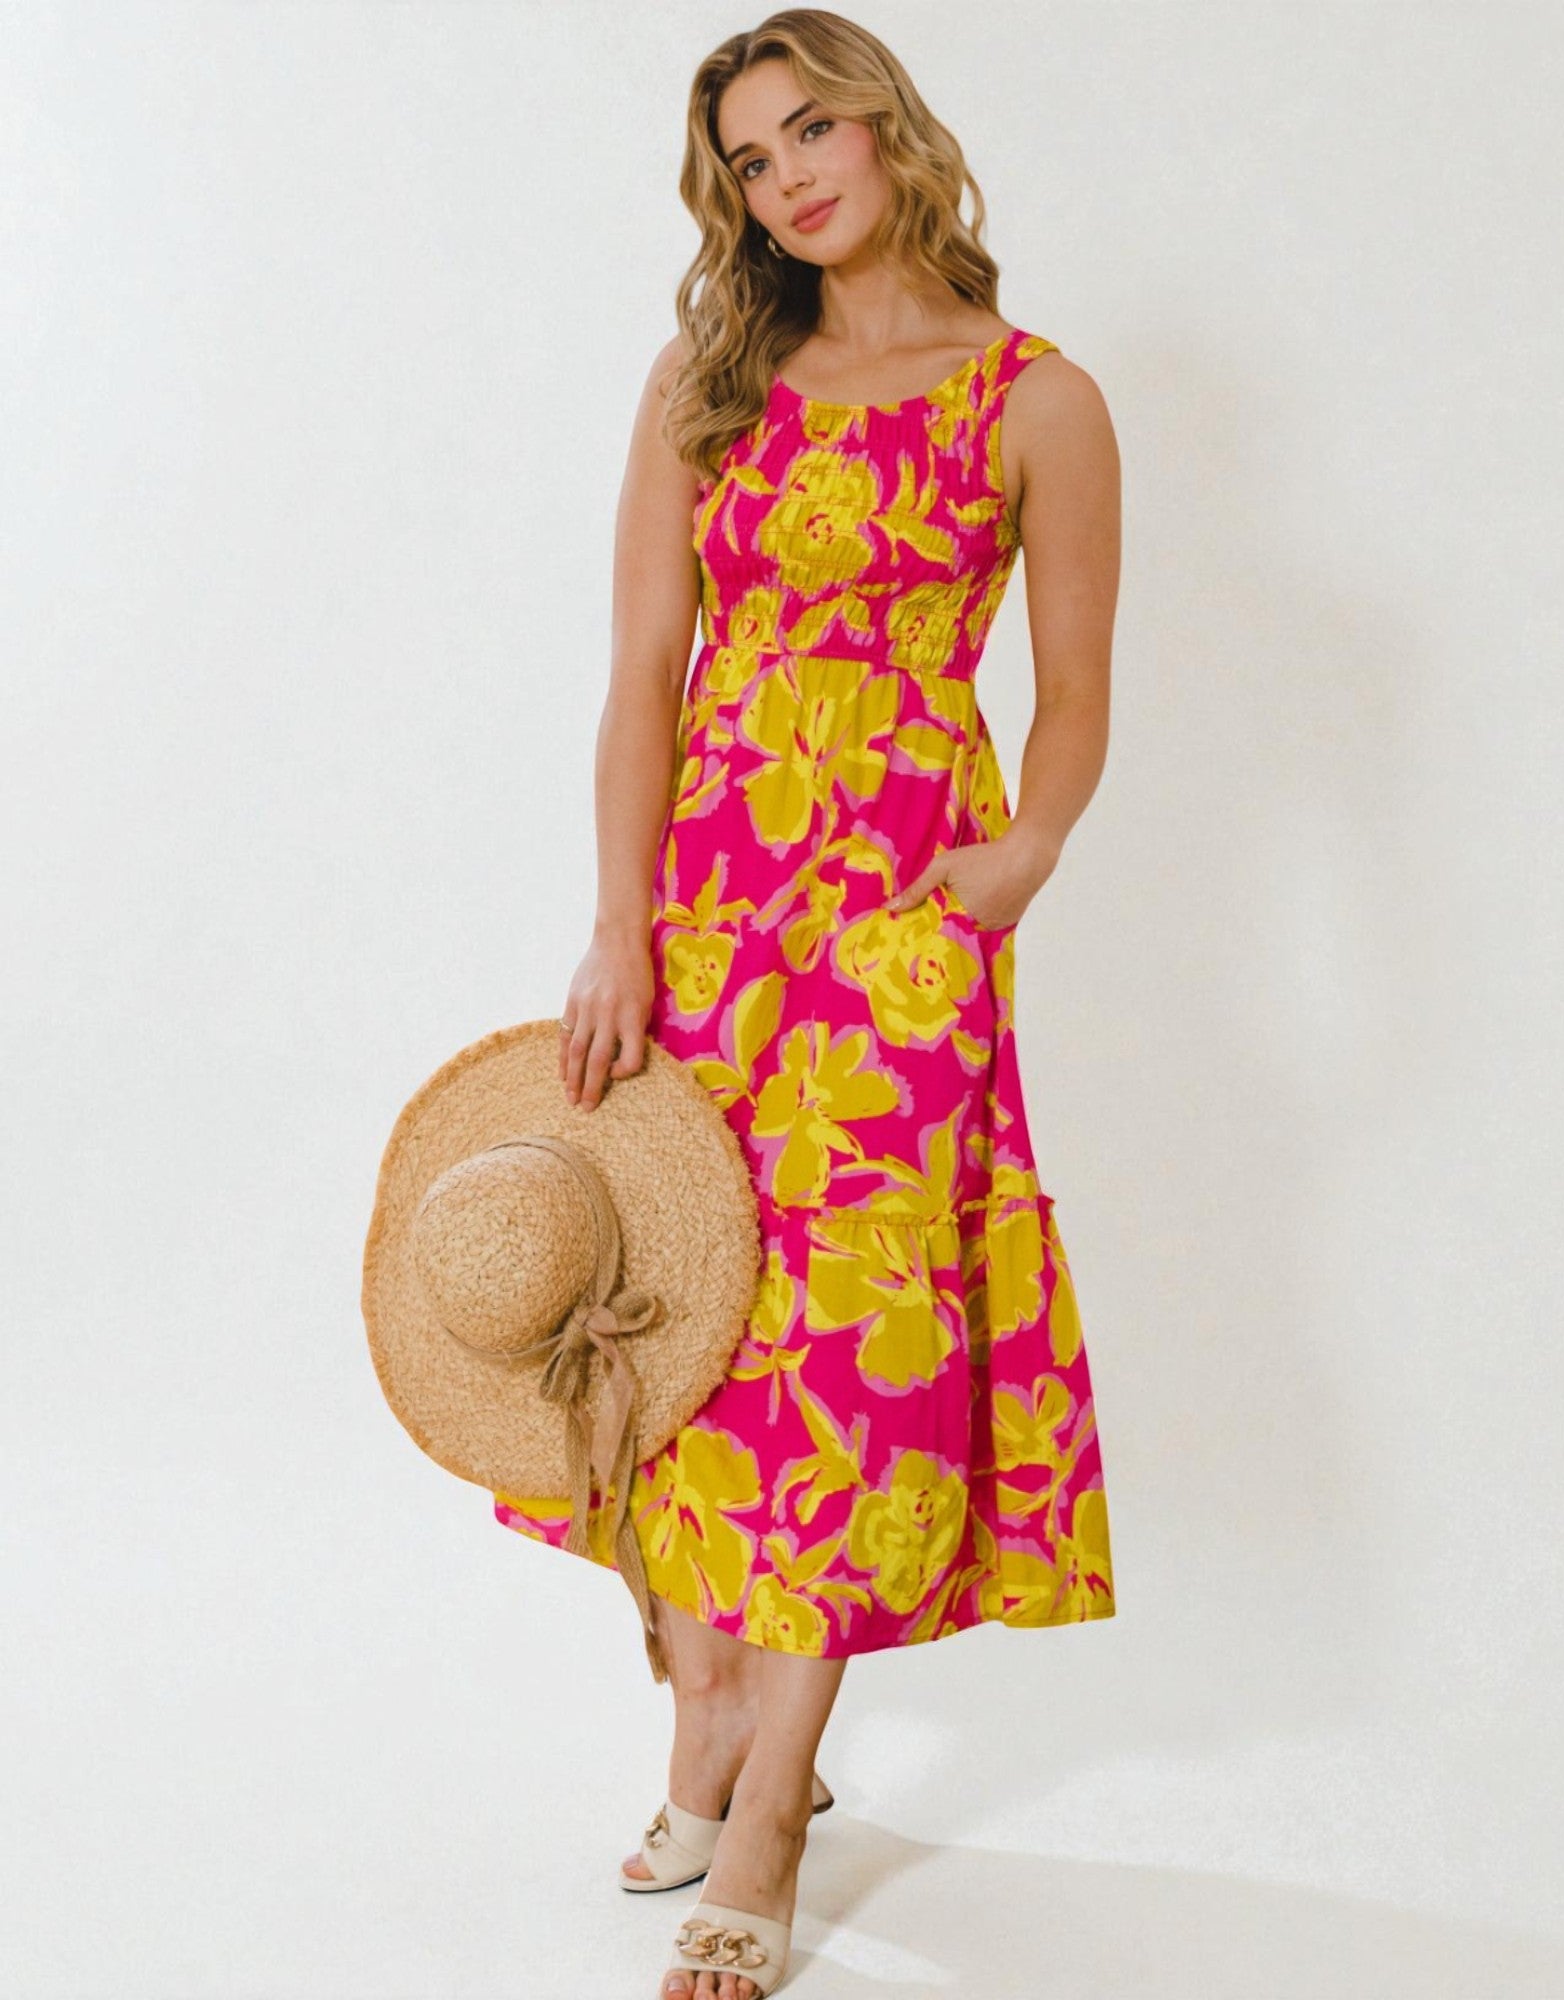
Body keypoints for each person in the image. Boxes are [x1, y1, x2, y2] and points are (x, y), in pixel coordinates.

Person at [494, 10, 1121, 1994]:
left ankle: (766, 1808)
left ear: (885, 125)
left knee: (847, 1357)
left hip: (898, 944)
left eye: (810, 130)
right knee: (688, 1331)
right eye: (750, 163)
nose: (789, 180)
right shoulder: (710, 377)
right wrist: (615, 926)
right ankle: (704, 1718)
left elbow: (1079, 703)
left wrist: (1020, 861)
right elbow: (642, 684)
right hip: (710, 927)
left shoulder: (1034, 400)